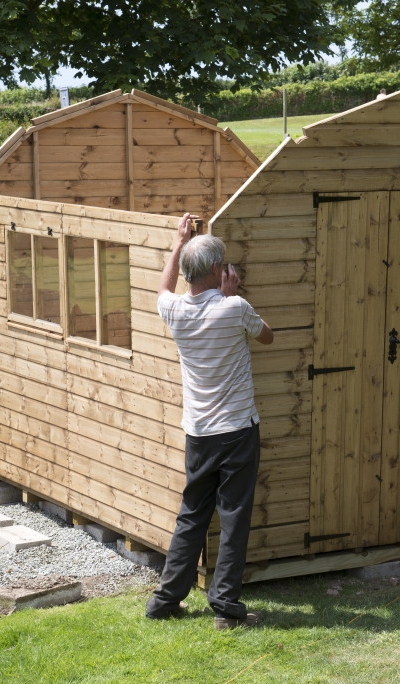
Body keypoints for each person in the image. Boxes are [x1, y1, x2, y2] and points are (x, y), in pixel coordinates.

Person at [145, 213, 274, 628]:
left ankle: (164, 602)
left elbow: (163, 287)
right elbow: (267, 335)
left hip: (197, 434)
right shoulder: (234, 308)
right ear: (220, 271)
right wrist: (231, 295)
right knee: (233, 516)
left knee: (192, 515)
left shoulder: (174, 312)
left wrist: (179, 240)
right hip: (237, 432)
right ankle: (225, 609)